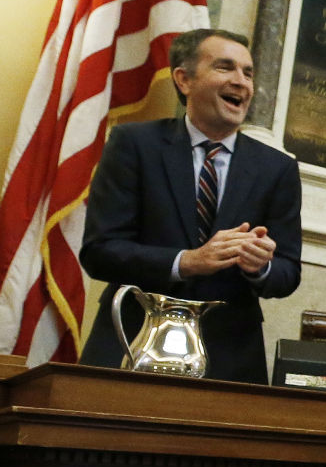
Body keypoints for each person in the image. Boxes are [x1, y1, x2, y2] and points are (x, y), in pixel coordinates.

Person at [79, 29, 302, 384]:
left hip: (229, 359)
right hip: (132, 344)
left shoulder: (278, 168)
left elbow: (288, 273)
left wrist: (260, 267)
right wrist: (187, 261)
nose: (241, 82)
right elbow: (99, 252)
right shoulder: (134, 145)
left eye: (248, 72)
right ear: (184, 79)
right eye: (225, 68)